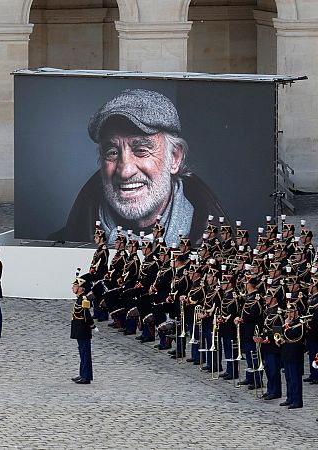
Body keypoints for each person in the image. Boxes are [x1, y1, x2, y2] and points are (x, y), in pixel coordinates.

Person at [49, 88, 229, 246]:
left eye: (141, 150)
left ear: (174, 158)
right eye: (112, 152)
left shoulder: (224, 253)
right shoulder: (56, 249)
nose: (125, 171)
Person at [71, 271, 95, 384]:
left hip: (83, 329)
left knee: (85, 353)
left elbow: (87, 315)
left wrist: (93, 326)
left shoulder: (84, 299)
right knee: (82, 352)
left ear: (81, 288)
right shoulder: (80, 298)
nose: (73, 287)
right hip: (79, 329)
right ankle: (82, 374)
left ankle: (86, 376)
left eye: (76, 286)